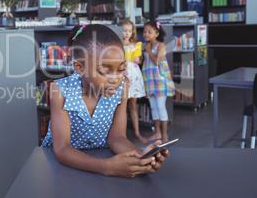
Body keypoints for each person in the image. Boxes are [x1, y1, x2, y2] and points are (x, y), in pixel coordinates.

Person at [41, 24, 169, 177]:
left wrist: (142, 157)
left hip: (101, 157)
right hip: (60, 166)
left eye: (121, 69)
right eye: (105, 71)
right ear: (80, 68)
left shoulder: (123, 85)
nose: (115, 79)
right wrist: (107, 167)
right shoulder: (59, 90)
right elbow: (62, 149)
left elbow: (117, 138)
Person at [142, 21, 175, 143]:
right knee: (153, 107)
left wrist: (148, 50)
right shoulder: (145, 46)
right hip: (149, 81)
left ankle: (164, 134)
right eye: (144, 32)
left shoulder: (161, 45)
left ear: (157, 33)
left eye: (149, 32)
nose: (146, 34)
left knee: (161, 107)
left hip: (160, 81)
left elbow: (157, 61)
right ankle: (157, 132)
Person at [119, 19, 147, 144]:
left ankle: (136, 133)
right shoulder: (117, 45)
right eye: (125, 31)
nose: (127, 33)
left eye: (129, 31)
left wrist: (135, 58)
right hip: (122, 77)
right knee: (121, 107)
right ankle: (121, 135)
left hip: (134, 76)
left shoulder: (135, 45)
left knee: (133, 106)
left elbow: (139, 60)